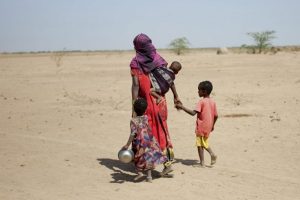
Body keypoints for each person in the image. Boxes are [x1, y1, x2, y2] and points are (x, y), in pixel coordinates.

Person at [130, 33, 175, 175]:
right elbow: (169, 79)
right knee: (162, 131)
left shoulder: (136, 63)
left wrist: (134, 106)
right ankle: (167, 163)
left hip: (146, 105)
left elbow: (136, 85)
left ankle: (148, 164)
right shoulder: (159, 59)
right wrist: (176, 96)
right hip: (160, 101)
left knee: (147, 134)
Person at [122, 98, 170, 182]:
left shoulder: (133, 121)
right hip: (149, 140)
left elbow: (133, 134)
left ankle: (140, 173)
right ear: (145, 111)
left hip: (139, 142)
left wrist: (127, 145)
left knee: (139, 158)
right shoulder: (145, 117)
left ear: (134, 109)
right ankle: (149, 177)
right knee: (148, 157)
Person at [175, 81, 218, 167]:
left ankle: (207, 158)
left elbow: (193, 113)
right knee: (203, 141)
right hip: (209, 125)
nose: (198, 92)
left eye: (199, 90)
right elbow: (216, 115)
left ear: (204, 91)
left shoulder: (201, 102)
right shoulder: (212, 102)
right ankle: (207, 158)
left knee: (199, 144)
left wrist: (182, 107)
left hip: (202, 125)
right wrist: (213, 125)